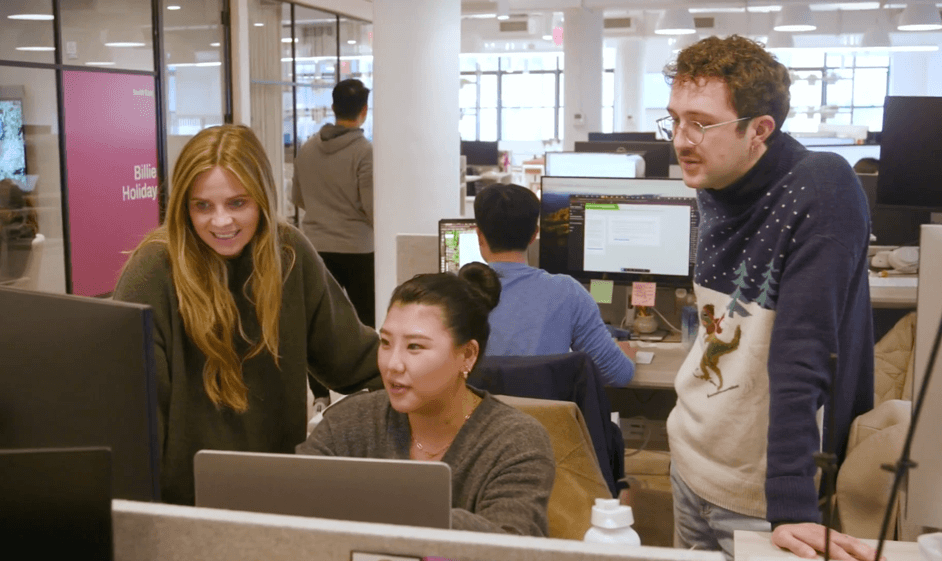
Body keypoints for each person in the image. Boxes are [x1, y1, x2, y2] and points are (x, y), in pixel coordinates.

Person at [658, 35, 876, 561]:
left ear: (760, 130)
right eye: (674, 119)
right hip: (692, 458)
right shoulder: (714, 182)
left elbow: (803, 355)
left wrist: (793, 505)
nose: (681, 140)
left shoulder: (821, 189)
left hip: (763, 493)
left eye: (701, 123)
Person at [113, 124, 380, 506]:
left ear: (262, 199)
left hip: (274, 493)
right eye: (202, 205)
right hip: (182, 505)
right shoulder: (154, 270)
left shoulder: (288, 254)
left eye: (237, 203)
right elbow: (134, 418)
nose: (221, 221)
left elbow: (356, 361)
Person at [297, 264, 556, 536]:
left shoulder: (515, 441)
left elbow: (509, 546)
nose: (392, 364)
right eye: (385, 343)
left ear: (467, 355)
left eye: (414, 346)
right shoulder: (349, 423)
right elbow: (290, 500)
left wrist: (374, 509)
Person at [473, 182, 635, 388]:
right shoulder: (568, 293)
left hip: (476, 419)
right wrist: (626, 354)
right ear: (534, 235)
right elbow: (618, 375)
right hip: (546, 420)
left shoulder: (452, 297)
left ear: (479, 235)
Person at [291, 78, 375, 406]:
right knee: (362, 323)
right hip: (358, 248)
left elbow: (297, 197)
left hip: (316, 246)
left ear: (333, 107)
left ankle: (320, 396)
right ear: (364, 112)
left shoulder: (308, 147)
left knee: (317, 323)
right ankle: (365, 395)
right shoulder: (364, 151)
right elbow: (371, 208)